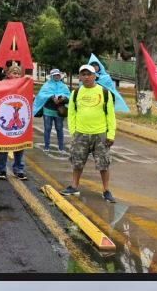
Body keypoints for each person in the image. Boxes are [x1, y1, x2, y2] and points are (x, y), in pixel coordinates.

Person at [60, 64, 117, 202]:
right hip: (81, 134)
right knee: (77, 162)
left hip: (100, 134)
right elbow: (72, 114)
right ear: (79, 76)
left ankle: (106, 190)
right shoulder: (76, 93)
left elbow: (111, 115)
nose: (86, 77)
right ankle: (74, 186)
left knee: (103, 163)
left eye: (89, 74)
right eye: (83, 74)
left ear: (94, 76)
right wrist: (73, 131)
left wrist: (111, 134)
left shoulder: (104, 92)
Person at [0, 63, 29, 180]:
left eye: (18, 73)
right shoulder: (2, 85)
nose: (16, 75)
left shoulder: (24, 86)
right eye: (14, 73)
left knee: (19, 145)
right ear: (8, 74)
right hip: (5, 116)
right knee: (4, 146)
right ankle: (1, 169)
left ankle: (19, 169)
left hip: (19, 119)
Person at [36, 69, 69, 152]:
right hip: (48, 111)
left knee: (59, 128)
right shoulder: (46, 86)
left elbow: (69, 97)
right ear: (51, 76)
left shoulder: (64, 86)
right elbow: (41, 96)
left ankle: (61, 147)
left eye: (58, 75)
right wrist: (51, 97)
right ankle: (46, 146)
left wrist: (63, 98)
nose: (56, 76)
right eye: (55, 75)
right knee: (47, 128)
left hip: (59, 111)